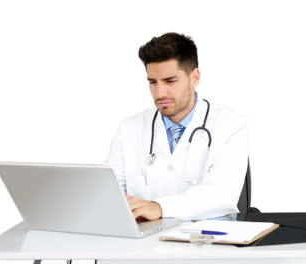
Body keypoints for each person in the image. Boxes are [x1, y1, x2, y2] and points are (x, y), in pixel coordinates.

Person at [105, 32, 249, 221]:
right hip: (143, 243)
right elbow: (108, 195)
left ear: (195, 77)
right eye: (152, 82)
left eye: (170, 81)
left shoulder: (230, 124)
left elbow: (221, 194)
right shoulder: (129, 128)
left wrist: (159, 208)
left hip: (209, 241)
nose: (159, 93)